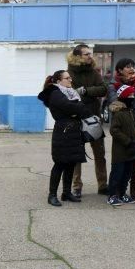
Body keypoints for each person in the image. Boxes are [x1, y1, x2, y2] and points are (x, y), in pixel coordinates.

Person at [38, 70, 90, 207]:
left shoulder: (70, 93)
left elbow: (82, 110)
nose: (70, 80)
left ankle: (66, 193)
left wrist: (76, 110)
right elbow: (69, 107)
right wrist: (76, 109)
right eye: (67, 78)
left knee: (71, 162)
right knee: (60, 163)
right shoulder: (55, 93)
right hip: (63, 132)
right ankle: (52, 195)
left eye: (70, 78)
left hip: (73, 130)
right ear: (58, 81)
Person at [67, 44, 108, 197]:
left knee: (100, 153)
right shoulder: (69, 73)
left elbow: (103, 89)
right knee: (77, 155)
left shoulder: (94, 72)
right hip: (77, 119)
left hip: (94, 118)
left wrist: (86, 90)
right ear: (77, 56)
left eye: (90, 54)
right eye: (86, 54)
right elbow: (71, 94)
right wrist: (86, 93)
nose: (90, 56)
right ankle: (76, 186)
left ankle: (103, 185)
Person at [108, 58, 135, 200]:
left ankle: (132, 186)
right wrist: (127, 87)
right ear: (120, 70)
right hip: (124, 125)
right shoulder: (114, 85)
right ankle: (115, 191)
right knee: (122, 160)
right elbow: (116, 103)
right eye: (127, 66)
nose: (131, 68)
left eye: (132, 66)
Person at [106, 85, 135, 206]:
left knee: (127, 174)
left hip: (130, 150)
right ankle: (112, 195)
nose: (133, 97)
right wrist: (127, 141)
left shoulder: (130, 111)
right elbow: (114, 130)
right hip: (120, 151)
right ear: (125, 97)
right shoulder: (119, 113)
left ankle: (122, 193)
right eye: (130, 95)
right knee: (117, 173)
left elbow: (132, 128)